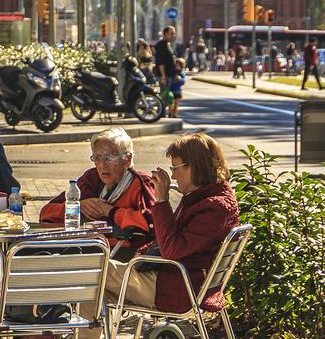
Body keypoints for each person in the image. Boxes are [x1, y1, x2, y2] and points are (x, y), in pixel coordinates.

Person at [78, 133, 238, 338]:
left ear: (194, 167)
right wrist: (143, 251)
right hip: (176, 280)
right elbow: (172, 240)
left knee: (90, 268)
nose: (173, 176)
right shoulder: (208, 197)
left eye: (175, 168)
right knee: (92, 288)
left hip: (176, 288)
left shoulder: (213, 207)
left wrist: (161, 200)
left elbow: (172, 249)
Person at [40, 128, 154, 261]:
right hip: (88, 245)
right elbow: (45, 214)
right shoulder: (91, 178)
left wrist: (111, 212)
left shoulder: (140, 183)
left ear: (127, 159)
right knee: (33, 253)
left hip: (123, 254)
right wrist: (78, 206)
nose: (102, 165)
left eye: (109, 157)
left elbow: (152, 224)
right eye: (97, 158)